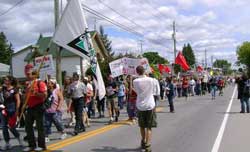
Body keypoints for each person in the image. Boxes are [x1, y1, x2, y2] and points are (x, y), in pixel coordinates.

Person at [23, 64, 47, 152]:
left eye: (29, 74)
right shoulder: (28, 84)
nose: (27, 75)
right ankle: (32, 145)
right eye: (27, 74)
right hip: (30, 107)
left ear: (34, 74)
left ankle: (42, 145)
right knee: (28, 126)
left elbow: (44, 95)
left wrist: (35, 93)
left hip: (39, 107)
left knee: (40, 127)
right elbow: (26, 96)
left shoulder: (40, 83)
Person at [133, 66, 157, 152]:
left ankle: (143, 141)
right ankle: (148, 144)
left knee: (142, 126)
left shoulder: (135, 81)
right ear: (144, 71)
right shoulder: (151, 80)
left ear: (137, 72)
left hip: (140, 105)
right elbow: (154, 90)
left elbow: (136, 91)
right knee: (149, 127)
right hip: (150, 104)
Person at [1, 76, 23, 150]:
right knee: (4, 126)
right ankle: (7, 143)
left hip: (12, 109)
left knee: (11, 127)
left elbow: (18, 101)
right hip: (4, 109)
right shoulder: (3, 88)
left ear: (10, 81)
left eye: (6, 80)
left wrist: (17, 111)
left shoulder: (15, 89)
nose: (4, 81)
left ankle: (18, 138)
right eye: (4, 80)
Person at [44, 78, 67, 143]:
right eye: (48, 83)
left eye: (50, 83)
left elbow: (61, 98)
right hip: (47, 110)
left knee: (57, 123)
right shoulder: (46, 91)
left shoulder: (57, 90)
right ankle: (46, 136)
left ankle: (63, 132)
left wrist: (59, 107)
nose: (48, 84)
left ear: (53, 84)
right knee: (46, 124)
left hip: (55, 110)